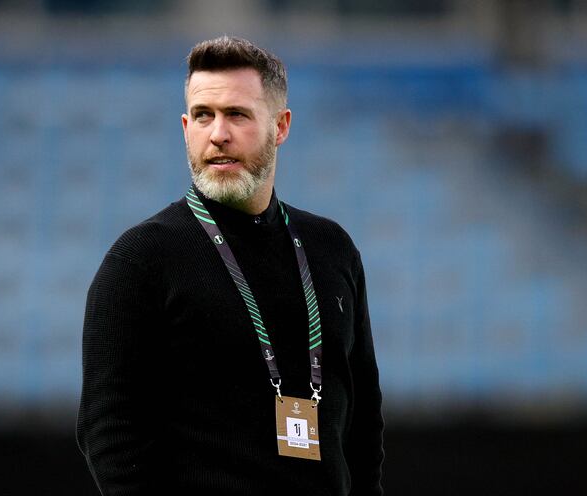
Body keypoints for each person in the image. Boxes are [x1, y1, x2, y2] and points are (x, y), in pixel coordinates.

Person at [76, 36, 384, 495]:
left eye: (237, 114)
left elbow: (362, 421)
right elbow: (109, 429)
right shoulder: (139, 260)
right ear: (185, 127)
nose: (217, 133)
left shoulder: (332, 249)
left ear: (280, 126)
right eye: (203, 115)